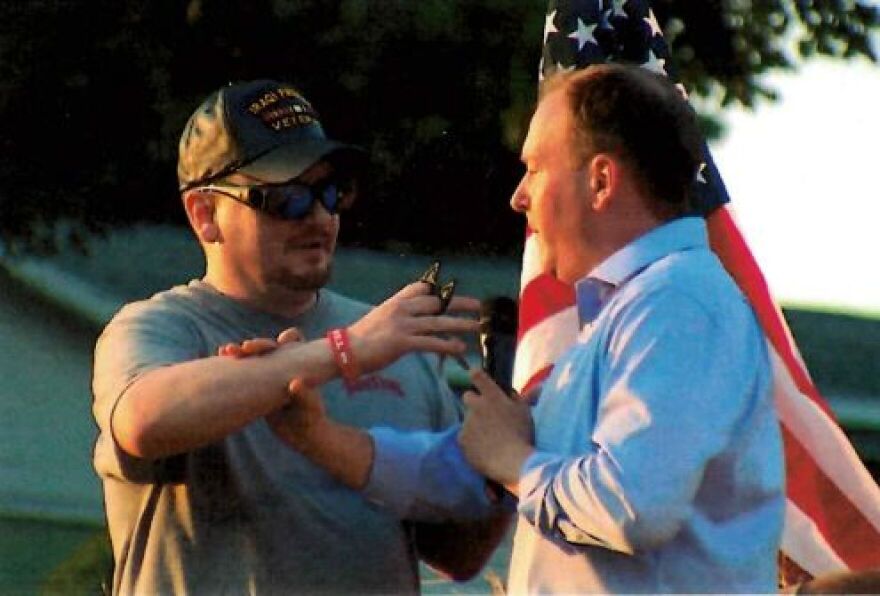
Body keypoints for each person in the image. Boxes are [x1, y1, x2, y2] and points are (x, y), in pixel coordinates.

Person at [256, 63, 786, 593]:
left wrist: (513, 459)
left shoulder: (679, 302)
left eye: (534, 168)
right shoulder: (633, 309)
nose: (518, 196)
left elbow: (631, 507)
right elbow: (467, 467)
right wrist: (317, 436)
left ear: (601, 180)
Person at [91, 79, 506, 595]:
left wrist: (513, 452)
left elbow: (458, 553)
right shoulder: (163, 327)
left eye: (330, 192)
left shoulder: (394, 344)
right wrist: (342, 352)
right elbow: (142, 421)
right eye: (285, 197)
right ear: (204, 215)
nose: (318, 216)